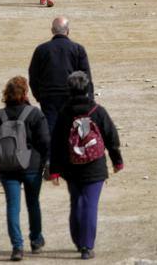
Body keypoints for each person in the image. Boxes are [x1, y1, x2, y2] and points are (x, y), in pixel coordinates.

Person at [49, 71, 122, 260]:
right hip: (95, 166)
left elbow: (56, 143)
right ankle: (87, 246)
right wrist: (117, 161)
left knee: (76, 202)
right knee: (90, 204)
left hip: (70, 167)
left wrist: (55, 170)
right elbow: (111, 137)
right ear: (88, 88)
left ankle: (78, 240)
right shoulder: (98, 111)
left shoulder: (64, 113)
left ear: (69, 90)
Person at [0, 76, 50, 262]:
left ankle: (17, 247)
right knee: (33, 204)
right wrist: (45, 160)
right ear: (25, 93)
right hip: (31, 166)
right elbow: (45, 141)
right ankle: (36, 240)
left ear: (6, 93)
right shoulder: (35, 114)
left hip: (7, 168)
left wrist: (3, 155)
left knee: (12, 207)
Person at [28, 16, 93, 134]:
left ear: (52, 31)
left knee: (51, 131)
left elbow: (33, 76)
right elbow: (86, 77)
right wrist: (89, 99)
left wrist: (39, 95)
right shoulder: (78, 49)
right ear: (68, 31)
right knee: (74, 132)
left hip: (48, 97)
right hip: (72, 96)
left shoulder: (41, 50)